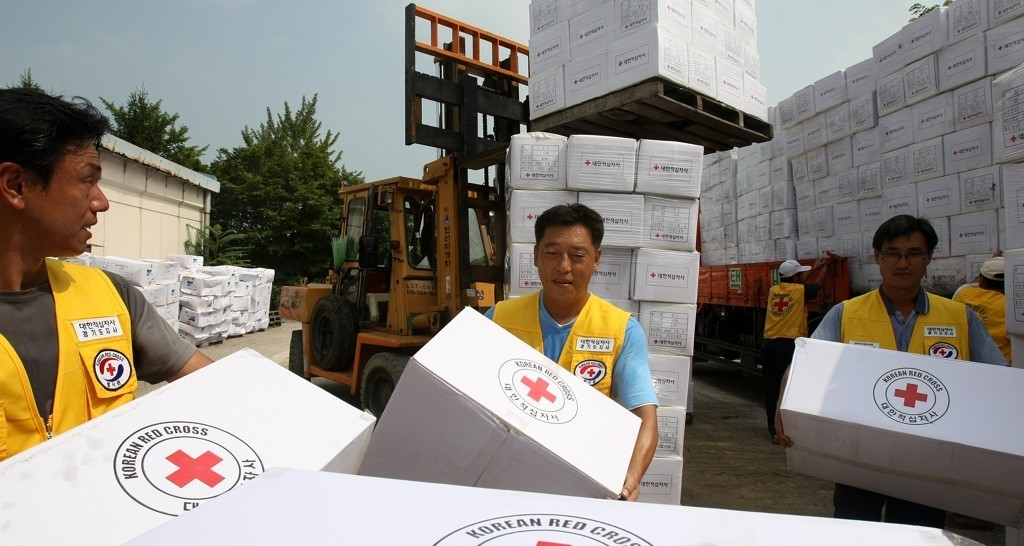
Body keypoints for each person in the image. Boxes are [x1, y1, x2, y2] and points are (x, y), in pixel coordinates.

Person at [0, 88, 213, 462]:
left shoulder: (110, 295)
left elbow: (218, 384)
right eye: (87, 180)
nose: (102, 202)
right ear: (16, 185)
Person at [774, 214, 1007, 529]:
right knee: (855, 532)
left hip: (928, 463)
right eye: (893, 254)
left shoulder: (959, 317)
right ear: (878, 257)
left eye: (914, 254)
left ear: (928, 258)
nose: (903, 263)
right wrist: (784, 405)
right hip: (859, 455)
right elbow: (805, 363)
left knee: (918, 534)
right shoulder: (846, 313)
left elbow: (997, 380)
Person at [485, 203, 658, 501]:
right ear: (536, 255)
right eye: (552, 253)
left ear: (596, 259)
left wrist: (631, 478)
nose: (564, 266)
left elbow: (644, 416)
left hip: (583, 487)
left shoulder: (621, 330)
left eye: (577, 256)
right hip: (506, 479)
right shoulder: (498, 318)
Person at [761, 256, 829, 443]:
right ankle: (785, 428)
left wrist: (812, 268)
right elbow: (817, 285)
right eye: (799, 275)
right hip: (788, 346)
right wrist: (821, 270)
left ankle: (773, 429)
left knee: (772, 389)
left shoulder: (774, 290)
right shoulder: (801, 291)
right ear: (796, 277)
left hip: (769, 345)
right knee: (788, 389)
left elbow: (798, 283)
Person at [953, 254, 1009, 364]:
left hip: (965, 360)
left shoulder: (962, 293)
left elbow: (974, 283)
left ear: (981, 280)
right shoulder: (1010, 306)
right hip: (1000, 364)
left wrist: (992, 261)